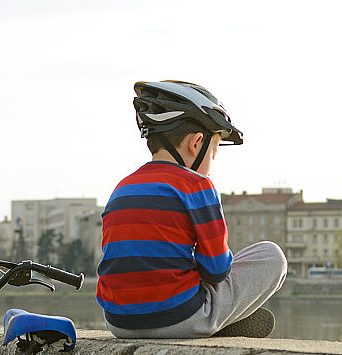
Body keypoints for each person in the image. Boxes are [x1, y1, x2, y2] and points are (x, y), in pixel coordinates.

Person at [96, 80, 287, 338]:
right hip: (181, 317)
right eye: (214, 152)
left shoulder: (121, 189)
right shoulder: (197, 185)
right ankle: (216, 321)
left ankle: (214, 320)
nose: (211, 163)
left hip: (118, 323)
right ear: (196, 143)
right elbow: (217, 270)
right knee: (272, 256)